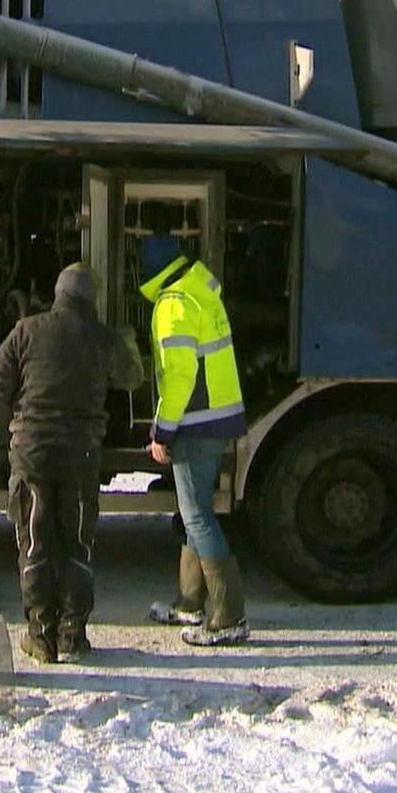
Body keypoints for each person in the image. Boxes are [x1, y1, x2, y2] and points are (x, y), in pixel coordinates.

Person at [0, 263, 142, 664]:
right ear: (91, 298)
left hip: (31, 455)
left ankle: (41, 637)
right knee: (76, 545)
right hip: (80, 457)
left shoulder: (26, 331)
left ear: (57, 293)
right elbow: (133, 376)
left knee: (35, 543)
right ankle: (73, 636)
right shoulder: (101, 338)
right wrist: (128, 341)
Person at [139, 235, 251, 646]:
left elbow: (180, 376)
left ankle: (228, 616)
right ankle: (189, 604)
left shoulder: (173, 304)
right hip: (216, 418)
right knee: (195, 513)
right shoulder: (200, 291)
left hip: (195, 424)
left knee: (199, 517)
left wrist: (162, 430)